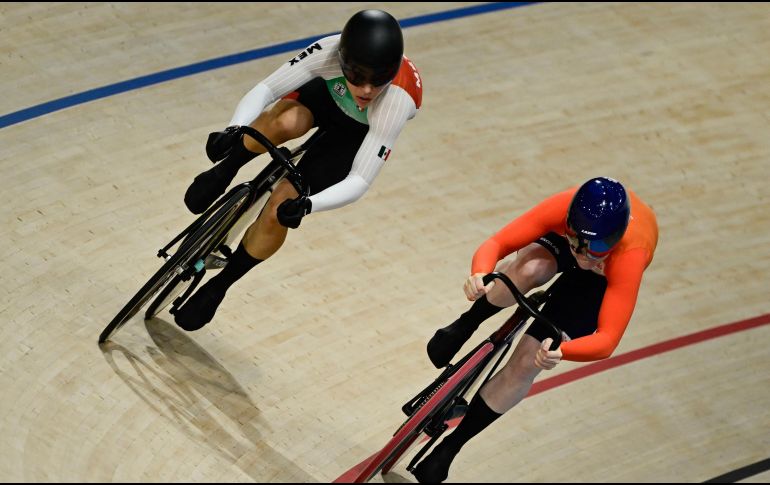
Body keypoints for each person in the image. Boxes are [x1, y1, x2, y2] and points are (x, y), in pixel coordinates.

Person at [173, 9, 422, 331]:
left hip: (354, 136)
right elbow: (265, 90)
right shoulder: (328, 51)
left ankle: (221, 284)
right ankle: (227, 170)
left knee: (280, 209)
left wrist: (308, 204)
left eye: (378, 81)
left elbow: (360, 178)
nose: (367, 90)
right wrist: (234, 129)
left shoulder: (397, 101)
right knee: (286, 121)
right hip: (323, 100)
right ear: (345, 63)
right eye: (357, 76)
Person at [411, 177, 659, 483]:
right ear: (569, 222)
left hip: (600, 278)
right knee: (528, 269)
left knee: (528, 362)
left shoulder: (629, 255)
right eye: (580, 240)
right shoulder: (562, 210)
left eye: (597, 245)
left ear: (616, 238)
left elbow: (607, 340)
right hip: (561, 244)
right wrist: (479, 274)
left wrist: (562, 351)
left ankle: (451, 446)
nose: (585, 252)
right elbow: (497, 244)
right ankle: (466, 323)